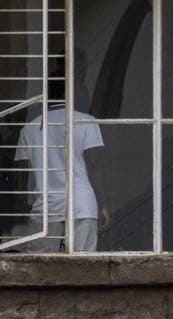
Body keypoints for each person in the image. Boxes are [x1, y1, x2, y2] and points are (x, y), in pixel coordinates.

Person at [13, 70, 109, 252]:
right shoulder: (86, 121)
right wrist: (103, 203)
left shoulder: (29, 128)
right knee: (84, 267)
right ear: (73, 93)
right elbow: (94, 165)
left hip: (45, 207)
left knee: (41, 268)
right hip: (82, 204)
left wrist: (22, 205)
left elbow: (23, 175)